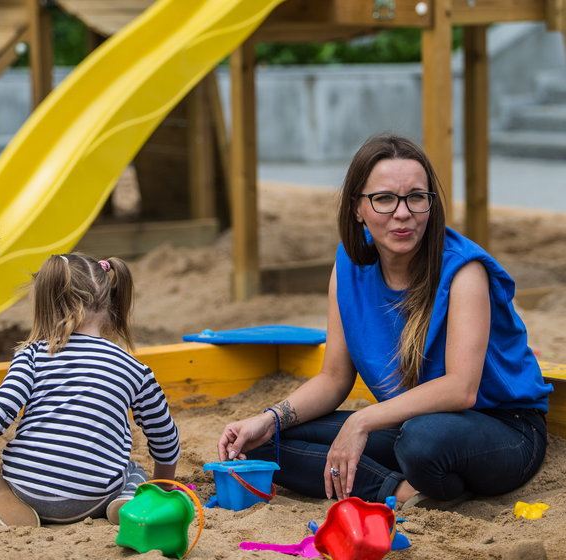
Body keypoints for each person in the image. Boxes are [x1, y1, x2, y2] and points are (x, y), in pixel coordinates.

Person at [217, 134, 552, 508]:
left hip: (505, 430)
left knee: (422, 442)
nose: (403, 212)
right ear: (357, 208)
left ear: (430, 203)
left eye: (416, 197)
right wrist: (271, 418)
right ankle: (398, 491)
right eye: (384, 198)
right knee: (264, 443)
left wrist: (361, 422)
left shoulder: (463, 269)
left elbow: (462, 389)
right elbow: (333, 378)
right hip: (411, 423)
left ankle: (414, 480)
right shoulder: (348, 263)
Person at [0, 252, 180, 526]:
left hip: (28, 486)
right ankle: (126, 501)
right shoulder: (133, 368)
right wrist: (164, 486)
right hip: (94, 495)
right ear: (109, 302)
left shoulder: (32, 355)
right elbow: (165, 436)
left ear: (47, 305)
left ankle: (12, 498)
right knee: (133, 471)